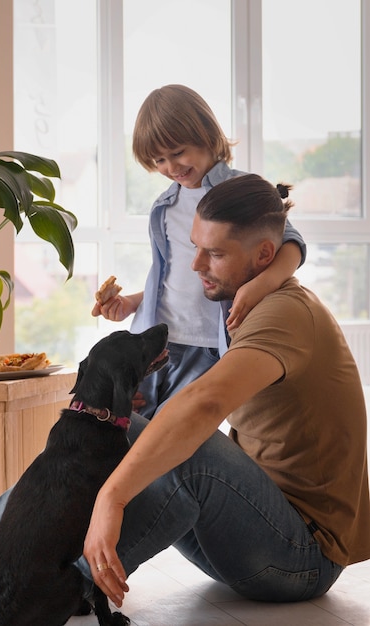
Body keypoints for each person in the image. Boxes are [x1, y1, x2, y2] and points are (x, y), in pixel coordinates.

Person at [82, 174, 370, 607]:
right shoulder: (245, 307)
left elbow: (205, 403)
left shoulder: (286, 311)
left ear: (264, 256)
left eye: (214, 253)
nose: (196, 264)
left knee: (189, 442)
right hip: (258, 533)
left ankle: (60, 582)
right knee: (100, 419)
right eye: (195, 247)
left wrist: (112, 496)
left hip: (302, 560)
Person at [92, 84, 306, 418]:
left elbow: (292, 244)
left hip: (208, 344)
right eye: (159, 160)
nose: (170, 166)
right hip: (156, 339)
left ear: (205, 135)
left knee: (171, 430)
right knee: (126, 421)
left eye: (177, 152)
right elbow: (172, 275)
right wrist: (134, 303)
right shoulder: (165, 206)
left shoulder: (241, 191)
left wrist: (258, 287)